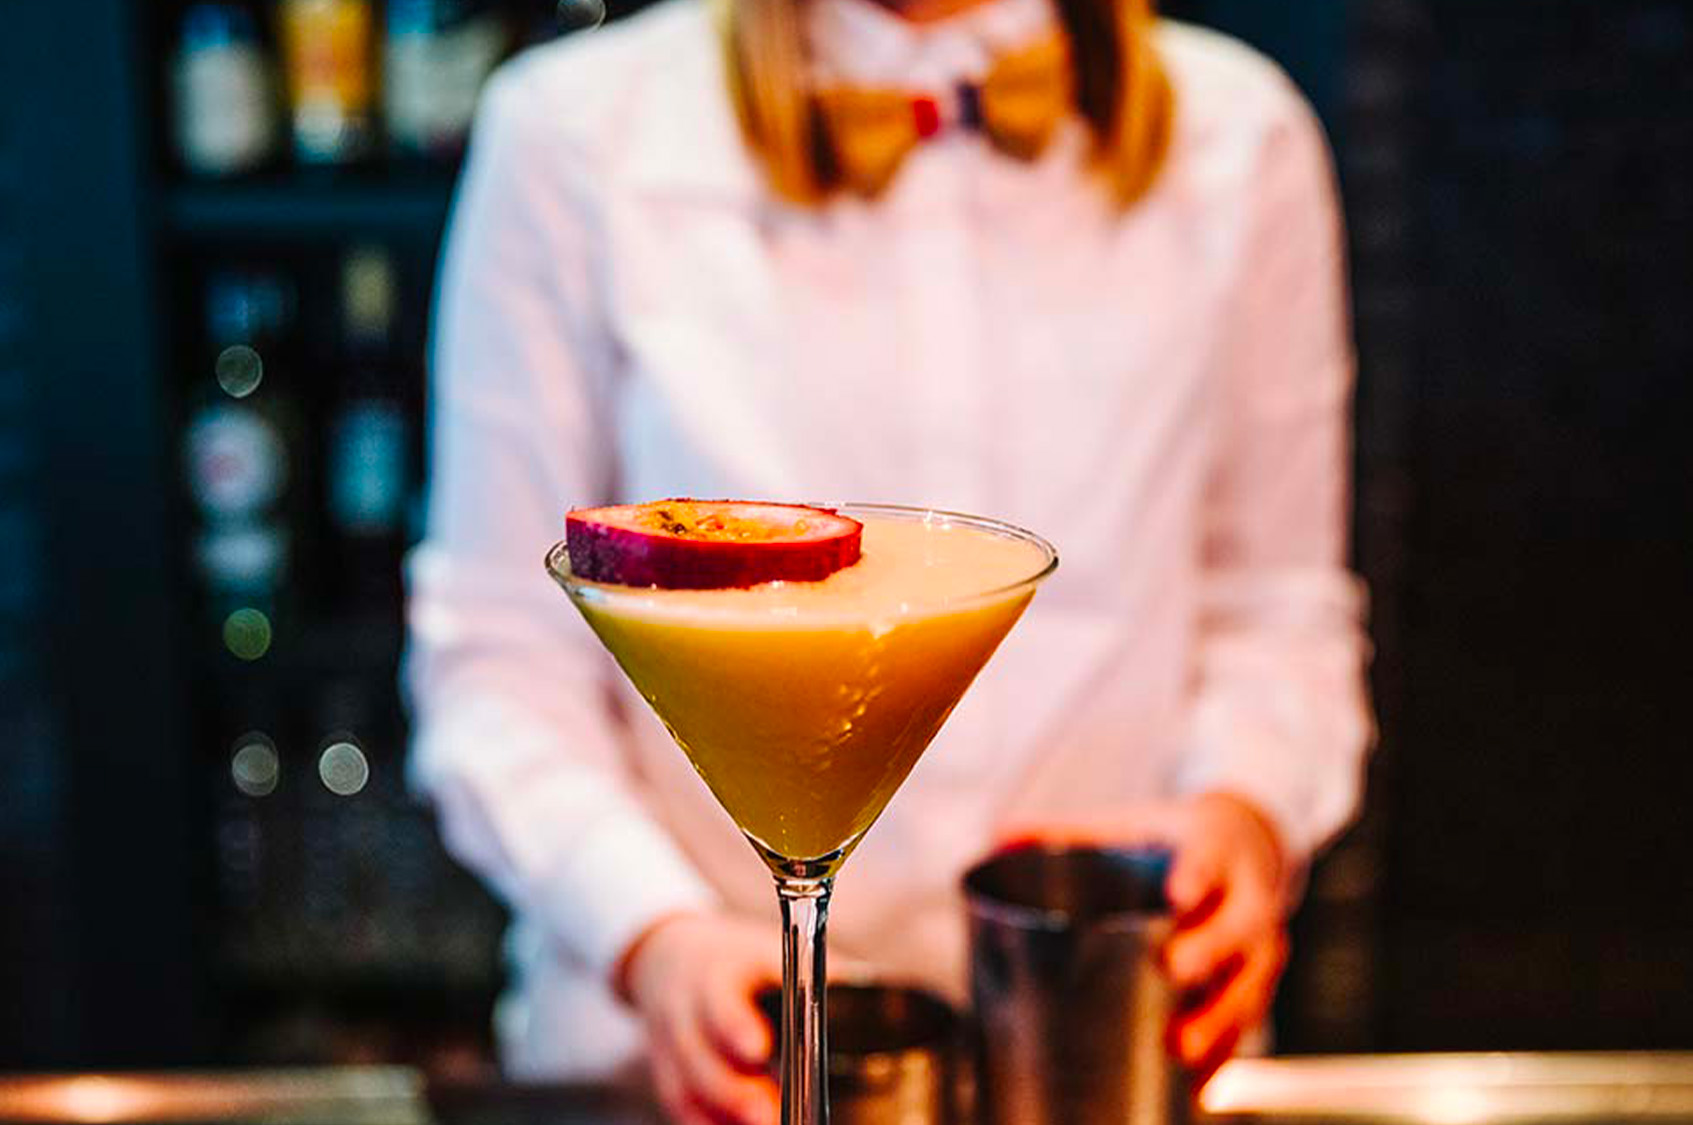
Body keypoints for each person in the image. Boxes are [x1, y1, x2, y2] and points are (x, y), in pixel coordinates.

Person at [404, 0, 1373, 1119]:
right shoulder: (574, 131)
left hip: (1090, 1046)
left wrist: (1242, 815)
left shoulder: (1241, 135)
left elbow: (1278, 611)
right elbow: (496, 662)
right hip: (691, 1066)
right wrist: (651, 933)